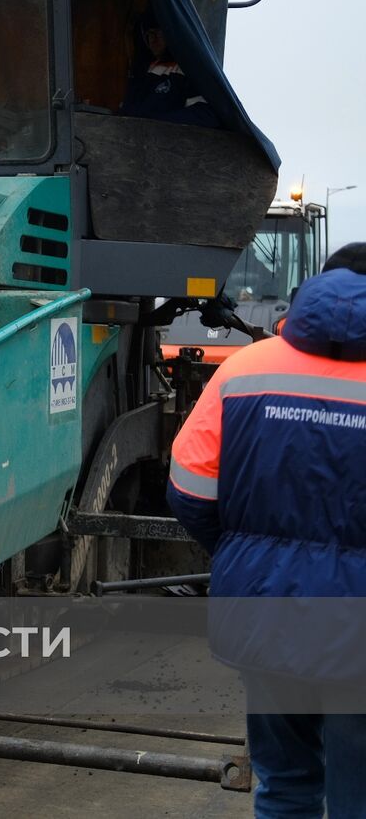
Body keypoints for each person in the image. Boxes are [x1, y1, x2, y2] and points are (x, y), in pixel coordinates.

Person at [167, 244, 366, 816]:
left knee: (284, 786)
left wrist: (241, 554)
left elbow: (188, 489)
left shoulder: (245, 368)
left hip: (264, 611)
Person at [120, 13, 219, 127]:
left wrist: (157, 124)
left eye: (158, 33)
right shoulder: (140, 71)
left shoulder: (188, 69)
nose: (153, 39)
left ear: (171, 33)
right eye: (149, 34)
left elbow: (205, 114)